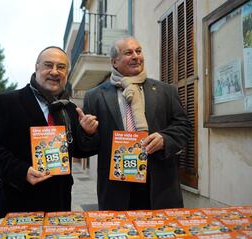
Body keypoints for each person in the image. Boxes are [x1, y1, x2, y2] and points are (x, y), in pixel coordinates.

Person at [0, 46, 91, 224]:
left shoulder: (68, 108)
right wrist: (22, 172)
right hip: (19, 203)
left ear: (66, 73)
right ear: (36, 68)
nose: (54, 71)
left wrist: (88, 133)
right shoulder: (7, 102)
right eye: (48, 65)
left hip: (58, 206)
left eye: (61, 67)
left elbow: (78, 151)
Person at [77, 37, 192, 211]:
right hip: (116, 190)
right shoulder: (95, 96)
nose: (136, 56)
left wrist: (165, 139)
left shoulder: (165, 91)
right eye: (128, 53)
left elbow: (184, 127)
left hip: (159, 187)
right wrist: (88, 132)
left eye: (138, 51)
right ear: (114, 61)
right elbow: (89, 148)